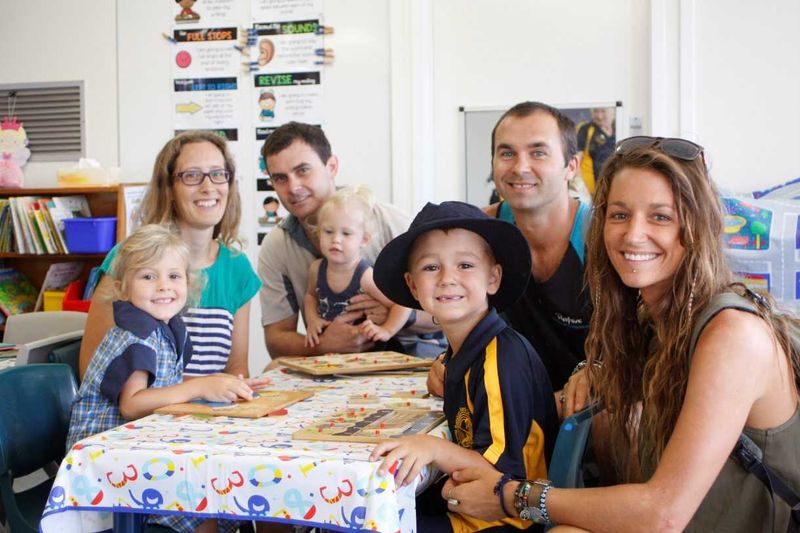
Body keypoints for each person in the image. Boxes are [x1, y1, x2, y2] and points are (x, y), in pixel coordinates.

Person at [442, 137, 800, 532]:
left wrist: (512, 495)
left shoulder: (732, 335)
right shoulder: (650, 317)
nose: (633, 235)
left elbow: (662, 515)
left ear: (697, 226)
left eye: (661, 217)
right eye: (620, 215)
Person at [370, 201, 558, 533]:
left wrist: (432, 447)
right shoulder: (464, 353)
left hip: (504, 520)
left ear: (493, 278)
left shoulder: (500, 359)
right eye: (431, 268)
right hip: (467, 503)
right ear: (413, 285)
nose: (447, 279)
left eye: (465, 264)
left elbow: (501, 475)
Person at [67, 225, 255, 533]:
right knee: (205, 510)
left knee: (222, 498)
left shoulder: (162, 324)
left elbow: (164, 381)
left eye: (173, 276)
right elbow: (132, 404)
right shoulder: (136, 335)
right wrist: (199, 386)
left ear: (188, 282)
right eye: (148, 276)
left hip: (137, 449)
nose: (163, 286)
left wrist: (221, 382)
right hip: (103, 464)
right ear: (123, 288)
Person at [428, 102, 592, 398]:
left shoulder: (602, 234)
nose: (520, 167)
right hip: (513, 404)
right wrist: (447, 361)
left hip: (591, 411)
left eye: (538, 152)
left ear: (571, 166)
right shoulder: (477, 232)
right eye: (507, 153)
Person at [79, 130, 262, 379]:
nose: (208, 187)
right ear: (169, 188)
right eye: (192, 176)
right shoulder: (131, 257)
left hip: (211, 415)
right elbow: (93, 367)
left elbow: (237, 368)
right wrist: (196, 390)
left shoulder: (237, 267)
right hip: (140, 416)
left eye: (218, 174)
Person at [257, 121, 444, 359]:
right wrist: (324, 344)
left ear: (332, 166)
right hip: (334, 364)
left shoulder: (393, 224)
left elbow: (458, 309)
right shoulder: (277, 246)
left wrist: (398, 318)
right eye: (280, 178)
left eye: (303, 170)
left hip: (414, 354)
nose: (293, 187)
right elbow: (276, 341)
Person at [304, 185, 412, 348]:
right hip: (332, 351)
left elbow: (401, 304)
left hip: (366, 351)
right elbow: (310, 296)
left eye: (346, 233)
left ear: (364, 239)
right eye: (328, 231)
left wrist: (387, 330)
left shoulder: (365, 276)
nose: (336, 239)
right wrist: (313, 321)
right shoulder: (316, 269)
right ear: (318, 233)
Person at [576, 107, 616, 195]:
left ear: (613, 112)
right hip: (589, 188)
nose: (599, 116)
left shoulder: (619, 129)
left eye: (603, 111)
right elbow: (576, 160)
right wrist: (582, 188)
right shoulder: (586, 129)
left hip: (612, 186)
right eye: (596, 111)